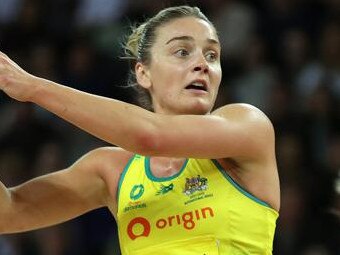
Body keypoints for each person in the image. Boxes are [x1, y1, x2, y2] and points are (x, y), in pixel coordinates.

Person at [0, 6, 280, 254]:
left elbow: (150, 136)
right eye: (182, 51)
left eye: (212, 54)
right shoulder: (112, 169)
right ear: (143, 73)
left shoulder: (248, 126)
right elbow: (8, 212)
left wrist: (32, 87)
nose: (202, 64)